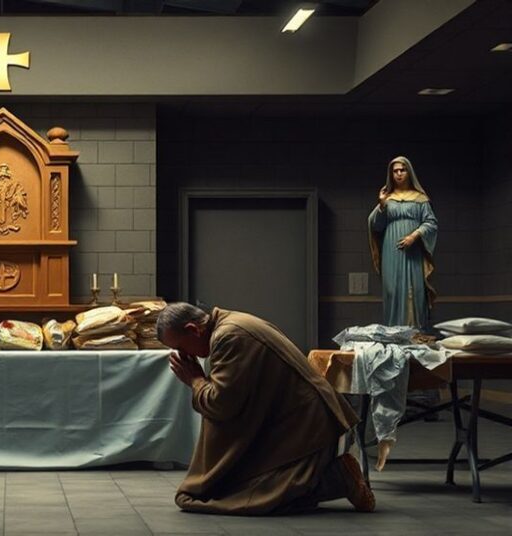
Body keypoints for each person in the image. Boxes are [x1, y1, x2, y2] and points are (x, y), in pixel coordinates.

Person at [158, 302, 374, 515]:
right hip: (295, 421)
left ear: (193, 330)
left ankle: (337, 479)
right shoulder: (231, 325)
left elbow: (221, 405)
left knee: (250, 497)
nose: (184, 355)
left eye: (180, 348)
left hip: (306, 426)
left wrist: (196, 380)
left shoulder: (229, 336)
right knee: (240, 488)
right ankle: (334, 478)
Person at [368, 156, 438, 328]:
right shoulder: (387, 199)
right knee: (392, 290)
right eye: (395, 171)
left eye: (403, 170)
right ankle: (393, 332)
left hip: (413, 252)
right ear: (391, 174)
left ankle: (415, 330)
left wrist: (414, 235)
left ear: (409, 172)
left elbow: (431, 222)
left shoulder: (420, 198)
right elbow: (375, 226)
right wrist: (382, 205)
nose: (399, 174)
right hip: (391, 250)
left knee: (414, 290)